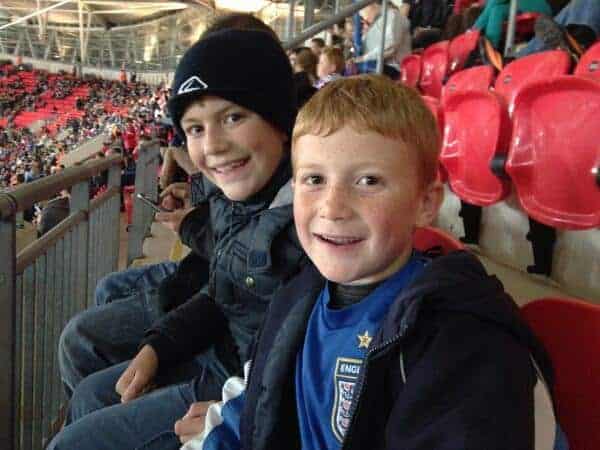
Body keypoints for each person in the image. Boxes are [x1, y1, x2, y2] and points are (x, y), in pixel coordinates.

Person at [181, 75, 570, 450]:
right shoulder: (299, 295)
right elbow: (259, 399)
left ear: (425, 203)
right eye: (314, 180)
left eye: (368, 181)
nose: (332, 208)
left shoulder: (464, 347)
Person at [49, 29, 308, 450]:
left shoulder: (307, 219)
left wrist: (232, 414)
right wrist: (161, 346)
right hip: (225, 355)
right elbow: (224, 290)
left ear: (281, 122)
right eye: (195, 128)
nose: (214, 145)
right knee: (92, 393)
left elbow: (300, 362)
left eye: (234, 117)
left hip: (240, 386)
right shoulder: (236, 199)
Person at [351, 1, 411, 78]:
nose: (362, 16)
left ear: (371, 5)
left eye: (362, 11)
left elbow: (390, 47)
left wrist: (363, 58)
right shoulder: (374, 23)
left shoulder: (393, 15)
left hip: (393, 68)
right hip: (377, 66)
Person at [473, 0, 553, 48]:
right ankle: (490, 48)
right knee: (497, 10)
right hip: (519, 6)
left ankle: (490, 48)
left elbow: (494, 2)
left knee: (496, 8)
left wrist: (474, 29)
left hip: (537, 8)